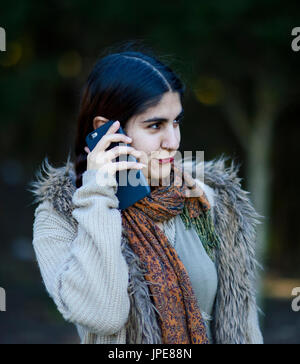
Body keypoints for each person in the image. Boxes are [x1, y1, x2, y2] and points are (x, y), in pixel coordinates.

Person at [29, 43, 264, 344]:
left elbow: (243, 327)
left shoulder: (205, 198)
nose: (173, 141)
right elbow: (104, 314)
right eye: (155, 125)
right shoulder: (61, 219)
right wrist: (97, 194)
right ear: (107, 129)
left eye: (176, 122)